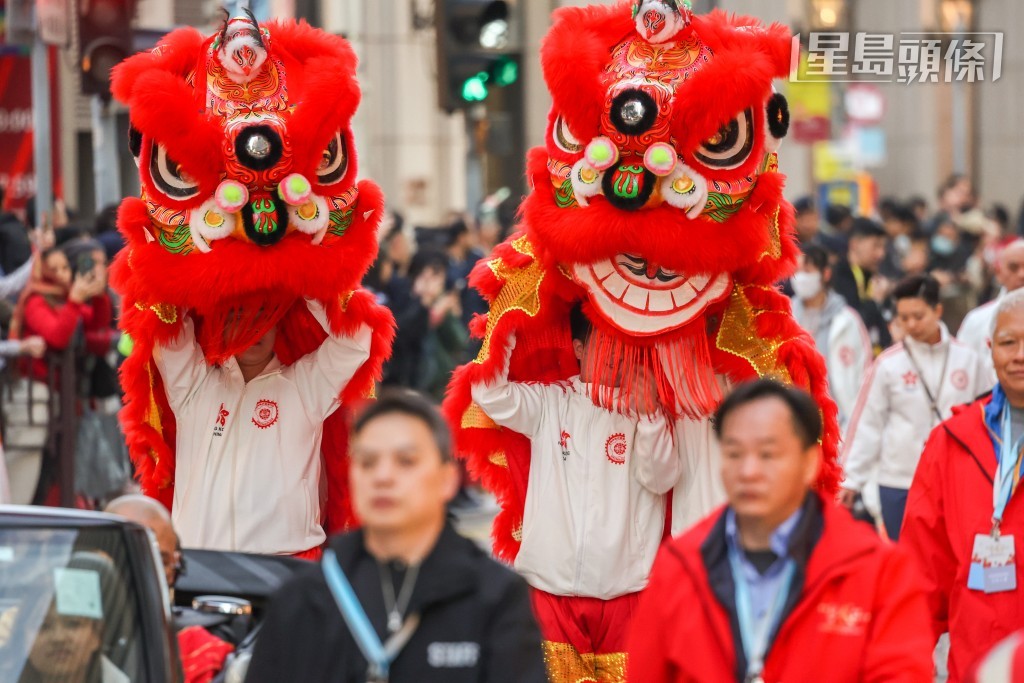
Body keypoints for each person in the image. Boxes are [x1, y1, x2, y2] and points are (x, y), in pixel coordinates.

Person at [627, 379, 934, 682]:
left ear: (809, 463)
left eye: (768, 454)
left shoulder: (877, 569)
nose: (748, 471)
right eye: (734, 453)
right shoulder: (678, 568)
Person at [245, 391, 546, 683]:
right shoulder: (305, 597)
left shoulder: (495, 597)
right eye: (367, 462)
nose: (383, 476)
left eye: (405, 461)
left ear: (447, 480)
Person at [469, 304, 679, 680]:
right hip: (550, 593)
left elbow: (662, 479)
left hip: (627, 594)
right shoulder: (551, 402)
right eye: (606, 345)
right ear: (579, 349)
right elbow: (489, 393)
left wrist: (649, 417)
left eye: (623, 346)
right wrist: (507, 321)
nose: (617, 357)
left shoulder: (645, 410)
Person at [153, 297, 372, 557]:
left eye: (263, 318)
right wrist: (204, 270)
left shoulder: (306, 386)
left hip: (284, 564)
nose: (253, 328)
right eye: (238, 319)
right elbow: (166, 320)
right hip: (199, 560)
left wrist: (307, 282)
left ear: (277, 326)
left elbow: (355, 341)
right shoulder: (193, 386)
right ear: (221, 326)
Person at [901, 289, 1024, 682]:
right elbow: (922, 570)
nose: (1020, 355)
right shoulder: (953, 441)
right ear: (990, 349)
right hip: (978, 665)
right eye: (1009, 343)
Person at [840, 274, 992, 540]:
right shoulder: (888, 364)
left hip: (956, 479)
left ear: (938, 310)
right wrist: (851, 479)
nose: (910, 325)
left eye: (918, 316)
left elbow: (985, 418)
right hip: (899, 481)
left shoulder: (968, 359)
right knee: (904, 564)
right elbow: (867, 424)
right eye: (903, 318)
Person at [104, 495, 233, 683]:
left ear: (175, 569)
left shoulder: (196, 651)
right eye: (127, 555)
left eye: (160, 560)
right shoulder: (61, 629)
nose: (142, 570)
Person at [790, 244, 872, 428]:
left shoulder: (848, 321)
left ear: (825, 274)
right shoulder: (785, 316)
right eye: (796, 271)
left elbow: (864, 371)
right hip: (796, 418)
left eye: (807, 271)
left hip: (839, 421)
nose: (800, 277)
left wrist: (858, 419)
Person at [958, 240, 1024, 374]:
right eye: (1013, 267)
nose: (1022, 275)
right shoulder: (977, 320)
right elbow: (963, 371)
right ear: (998, 272)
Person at [830, 217, 892, 352]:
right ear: (855, 244)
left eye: (883, 247)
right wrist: (875, 302)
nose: (881, 254)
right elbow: (852, 324)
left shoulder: (874, 277)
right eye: (875, 246)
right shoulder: (838, 276)